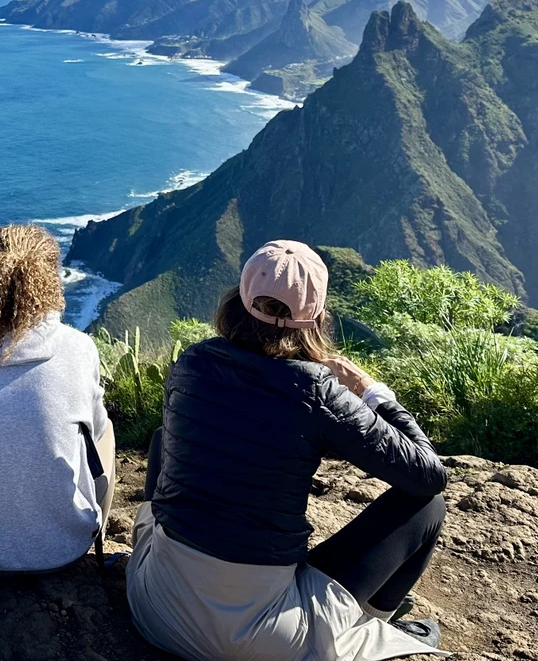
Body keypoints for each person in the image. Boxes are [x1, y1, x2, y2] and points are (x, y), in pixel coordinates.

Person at [127, 241, 449, 661]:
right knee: (427, 505)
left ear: (239, 300)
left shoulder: (192, 362)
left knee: (160, 438)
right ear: (315, 318)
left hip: (157, 609)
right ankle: (360, 629)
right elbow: (428, 473)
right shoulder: (316, 391)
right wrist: (372, 393)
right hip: (261, 640)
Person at [0, 224, 115, 573]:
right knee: (104, 433)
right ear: (50, 280)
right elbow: (97, 428)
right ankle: (97, 535)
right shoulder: (79, 348)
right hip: (63, 549)